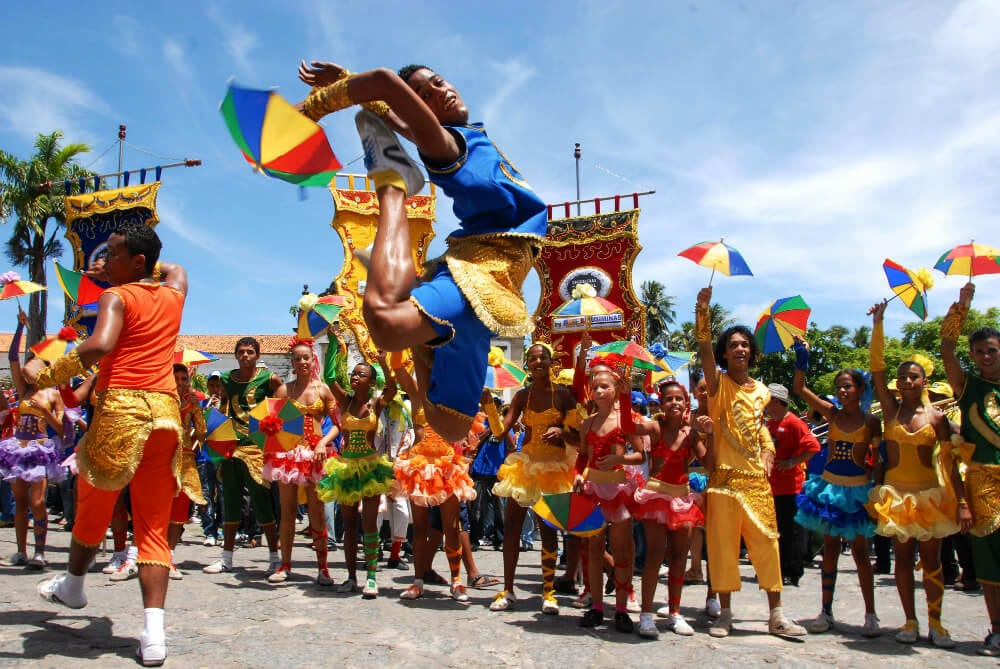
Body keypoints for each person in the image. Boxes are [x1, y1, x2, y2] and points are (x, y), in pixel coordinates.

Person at [297, 61, 545, 444]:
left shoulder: (468, 137)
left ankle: (419, 316)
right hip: (475, 274)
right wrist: (313, 109)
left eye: (439, 82)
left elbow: (401, 113)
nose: (439, 91)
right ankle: (393, 187)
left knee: (451, 426)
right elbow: (384, 81)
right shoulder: (450, 146)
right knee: (385, 326)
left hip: (489, 288)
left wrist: (349, 84)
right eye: (425, 95)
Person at [32, 222, 187, 666]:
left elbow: (99, 345)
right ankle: (153, 634)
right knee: (153, 526)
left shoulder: (115, 297)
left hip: (121, 412)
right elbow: (173, 268)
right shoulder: (175, 292)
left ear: (138, 262)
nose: (102, 262)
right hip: (164, 417)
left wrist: (45, 375)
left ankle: (74, 586)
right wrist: (142, 261)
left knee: (93, 504)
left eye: (112, 254)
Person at [695, 285, 806, 638]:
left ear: (752, 353)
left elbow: (761, 430)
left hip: (756, 481)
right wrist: (703, 312)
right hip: (724, 480)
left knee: (767, 543)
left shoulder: (762, 391)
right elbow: (703, 350)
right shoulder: (717, 385)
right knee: (723, 547)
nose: (739, 349)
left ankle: (776, 614)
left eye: (744, 344)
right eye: (733, 345)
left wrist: (769, 451)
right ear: (724, 355)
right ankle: (725, 613)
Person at [867, 300, 969, 648]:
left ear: (924, 380)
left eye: (913, 376)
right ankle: (909, 621)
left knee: (933, 562)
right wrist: (878, 324)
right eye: (903, 377)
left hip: (930, 495)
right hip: (897, 495)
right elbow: (876, 369)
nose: (907, 381)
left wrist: (963, 501)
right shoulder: (891, 411)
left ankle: (937, 623)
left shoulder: (937, 419)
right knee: (902, 562)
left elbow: (951, 464)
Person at [790, 338, 881, 637]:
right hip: (829, 488)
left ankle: (870, 615)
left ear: (860, 389)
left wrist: (877, 492)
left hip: (856, 491)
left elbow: (876, 461)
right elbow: (800, 389)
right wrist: (802, 358)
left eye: (848, 386)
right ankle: (825, 611)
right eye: (839, 386)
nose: (843, 390)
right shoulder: (832, 414)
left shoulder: (871, 422)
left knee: (860, 554)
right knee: (830, 549)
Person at [490, 343, 578, 614]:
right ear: (527, 364)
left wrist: (562, 434)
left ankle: (548, 592)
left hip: (554, 469)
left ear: (552, 362)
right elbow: (499, 432)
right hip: (525, 468)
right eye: (533, 358)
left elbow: (579, 438)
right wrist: (488, 406)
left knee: (549, 532)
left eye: (543, 358)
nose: (538, 362)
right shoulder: (521, 397)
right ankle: (508, 589)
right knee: (512, 529)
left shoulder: (564, 397)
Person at [939, 282, 1000, 656]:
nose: (984, 357)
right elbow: (947, 350)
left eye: (991, 350)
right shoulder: (968, 386)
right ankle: (996, 629)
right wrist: (961, 308)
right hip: (981, 480)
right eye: (978, 352)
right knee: (989, 556)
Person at [390, 358, 477, 603]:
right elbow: (397, 366)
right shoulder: (417, 392)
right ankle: (418, 581)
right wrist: (395, 339)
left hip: (446, 467)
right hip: (418, 466)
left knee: (451, 526)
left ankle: (457, 581)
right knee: (419, 527)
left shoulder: (452, 395)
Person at [317, 349, 396, 597]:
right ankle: (351, 577)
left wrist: (383, 362)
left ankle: (371, 577)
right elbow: (330, 378)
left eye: (361, 375)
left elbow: (392, 388)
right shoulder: (346, 402)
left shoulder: (376, 403)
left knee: (369, 523)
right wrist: (333, 344)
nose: (355, 378)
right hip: (348, 468)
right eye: (354, 374)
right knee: (349, 526)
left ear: (371, 381)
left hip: (371, 468)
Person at [633, 379, 708, 638]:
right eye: (668, 399)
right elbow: (626, 427)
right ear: (661, 403)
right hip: (656, 496)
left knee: (679, 558)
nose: (674, 403)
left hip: (682, 499)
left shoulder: (691, 434)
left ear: (686, 403)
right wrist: (622, 393)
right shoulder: (654, 428)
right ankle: (645, 616)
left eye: (679, 399)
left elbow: (709, 461)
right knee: (654, 556)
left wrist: (714, 432)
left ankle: (675, 613)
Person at [203, 338, 282, 576]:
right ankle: (226, 558)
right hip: (232, 447)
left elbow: (281, 406)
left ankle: (274, 557)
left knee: (262, 502)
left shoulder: (269, 379)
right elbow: (225, 405)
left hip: (257, 448)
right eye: (241, 352)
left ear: (258, 355)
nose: (245, 355)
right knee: (230, 501)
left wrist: (274, 440)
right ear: (236, 355)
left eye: (249, 352)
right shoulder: (226, 379)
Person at [575, 367, 644, 633]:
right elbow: (583, 456)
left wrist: (619, 459)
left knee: (622, 551)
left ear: (616, 389)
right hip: (593, 488)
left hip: (617, 489)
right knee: (593, 550)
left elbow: (640, 455)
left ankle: (622, 609)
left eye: (605, 386)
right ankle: (597, 608)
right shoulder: (587, 423)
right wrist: (578, 475)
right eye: (595, 386)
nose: (599, 390)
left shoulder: (626, 421)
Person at [268, 339, 341, 585]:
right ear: (292, 362)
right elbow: (272, 426)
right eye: (297, 358)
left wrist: (323, 442)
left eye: (305, 358)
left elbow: (339, 423)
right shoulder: (283, 391)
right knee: (287, 511)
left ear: (313, 360)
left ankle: (323, 568)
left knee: (317, 511)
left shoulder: (323, 390)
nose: (301, 362)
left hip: (316, 455)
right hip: (289, 455)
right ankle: (284, 565)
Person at [0, 309, 65, 569]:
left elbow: (62, 429)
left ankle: (40, 551)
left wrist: (46, 414)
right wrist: (20, 328)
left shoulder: (53, 395)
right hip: (17, 449)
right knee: (21, 504)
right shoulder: (23, 390)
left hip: (39, 451)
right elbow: (14, 357)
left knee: (38, 503)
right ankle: (21, 551)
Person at [764, 383, 822, 587]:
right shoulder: (770, 424)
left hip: (791, 486)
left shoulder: (795, 423)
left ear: (777, 402)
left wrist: (791, 462)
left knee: (791, 531)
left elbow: (813, 447)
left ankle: (792, 570)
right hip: (773, 486)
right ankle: (778, 567)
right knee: (776, 529)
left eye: (768, 400)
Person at [166, 364, 207, 580]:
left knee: (179, 513)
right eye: (177, 378)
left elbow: (201, 433)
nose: (180, 383)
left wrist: (196, 409)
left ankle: (169, 557)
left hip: (186, 460)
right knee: (160, 510)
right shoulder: (161, 400)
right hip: (162, 460)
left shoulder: (192, 403)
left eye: (184, 379)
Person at [197, 371, 225, 546]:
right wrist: (206, 411)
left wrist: (220, 409)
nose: (216, 389)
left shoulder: (228, 405)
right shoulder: (201, 404)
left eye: (219, 386)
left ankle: (223, 528)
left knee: (223, 494)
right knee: (205, 494)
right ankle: (209, 531)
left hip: (222, 455)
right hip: (204, 455)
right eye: (212, 385)